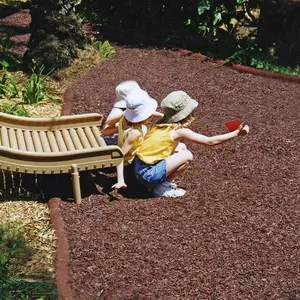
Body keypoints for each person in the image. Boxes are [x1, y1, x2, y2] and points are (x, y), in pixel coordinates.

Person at [134, 90, 250, 198]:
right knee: (187, 155)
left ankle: (157, 182)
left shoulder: (159, 124)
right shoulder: (179, 131)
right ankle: (162, 188)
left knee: (181, 147)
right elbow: (210, 141)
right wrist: (237, 133)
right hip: (147, 175)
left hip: (138, 168)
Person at [112, 89, 160, 190]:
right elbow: (120, 156)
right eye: (149, 116)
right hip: (131, 163)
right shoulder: (134, 133)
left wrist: (161, 115)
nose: (151, 117)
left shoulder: (125, 115)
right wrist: (120, 180)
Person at [102, 80, 141, 144]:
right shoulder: (118, 111)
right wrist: (120, 128)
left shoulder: (137, 108)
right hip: (115, 141)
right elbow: (105, 132)